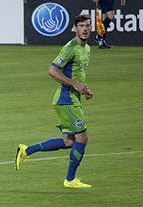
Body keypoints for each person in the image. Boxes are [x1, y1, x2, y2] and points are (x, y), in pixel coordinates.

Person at [15, 14, 93, 188]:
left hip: (72, 98)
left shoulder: (87, 49)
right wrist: (75, 85)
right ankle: (70, 180)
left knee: (69, 142)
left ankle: (26, 150)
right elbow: (52, 70)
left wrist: (84, 89)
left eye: (88, 25)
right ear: (75, 28)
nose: (85, 29)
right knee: (82, 138)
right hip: (66, 100)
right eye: (81, 26)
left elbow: (77, 74)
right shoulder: (70, 48)